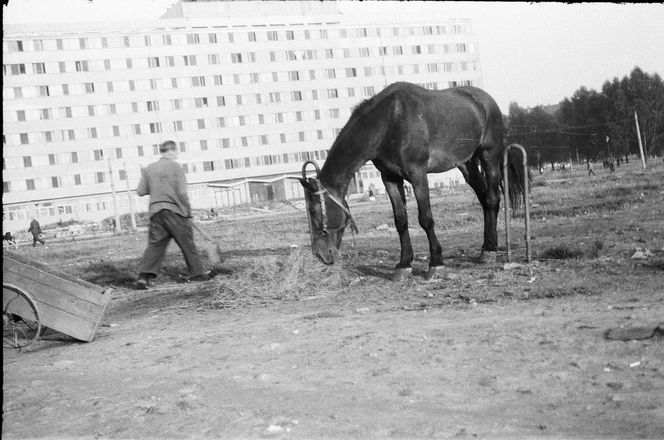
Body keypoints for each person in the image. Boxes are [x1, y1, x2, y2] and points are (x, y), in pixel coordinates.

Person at [135, 140, 214, 289]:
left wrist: (153, 182)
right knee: (187, 244)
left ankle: (143, 278)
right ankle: (197, 273)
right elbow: (182, 193)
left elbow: (141, 191)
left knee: (155, 246)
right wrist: (188, 212)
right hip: (175, 212)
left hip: (156, 213)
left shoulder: (149, 169)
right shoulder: (176, 167)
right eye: (176, 152)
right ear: (171, 151)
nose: (177, 155)